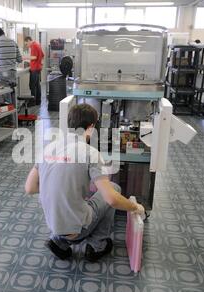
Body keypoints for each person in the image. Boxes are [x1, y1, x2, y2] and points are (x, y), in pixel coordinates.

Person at [24, 104, 145, 262]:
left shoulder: (48, 148)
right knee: (114, 188)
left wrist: (61, 187)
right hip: (77, 230)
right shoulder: (90, 153)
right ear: (92, 127)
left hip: (53, 224)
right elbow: (112, 199)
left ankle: (58, 241)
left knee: (85, 194)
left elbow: (30, 188)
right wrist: (135, 207)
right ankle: (97, 245)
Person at [24, 36, 44, 106]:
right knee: (37, 85)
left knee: (32, 86)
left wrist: (24, 57)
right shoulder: (37, 45)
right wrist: (40, 63)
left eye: (26, 44)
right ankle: (38, 101)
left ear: (29, 40)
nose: (27, 46)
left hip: (35, 69)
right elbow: (42, 55)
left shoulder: (33, 46)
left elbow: (34, 57)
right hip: (38, 68)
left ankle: (32, 102)